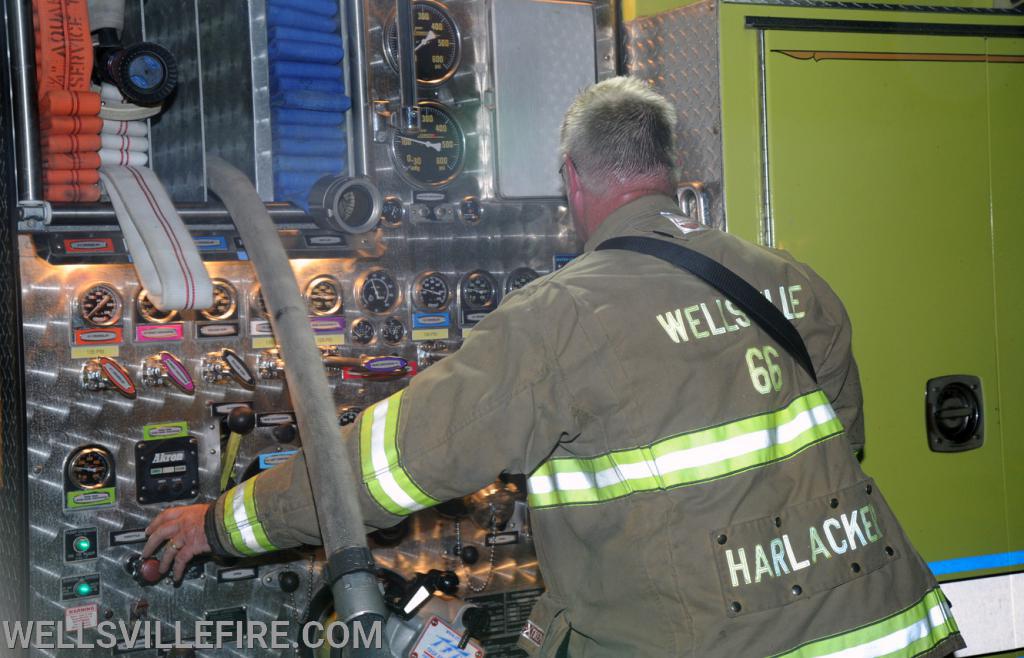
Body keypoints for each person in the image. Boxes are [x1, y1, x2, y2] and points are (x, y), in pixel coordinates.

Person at [143, 77, 964, 657]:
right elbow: (840, 441)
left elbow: (383, 469)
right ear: (669, 171)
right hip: (890, 626)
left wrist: (221, 523)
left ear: (572, 180)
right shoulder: (786, 278)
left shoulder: (563, 316)